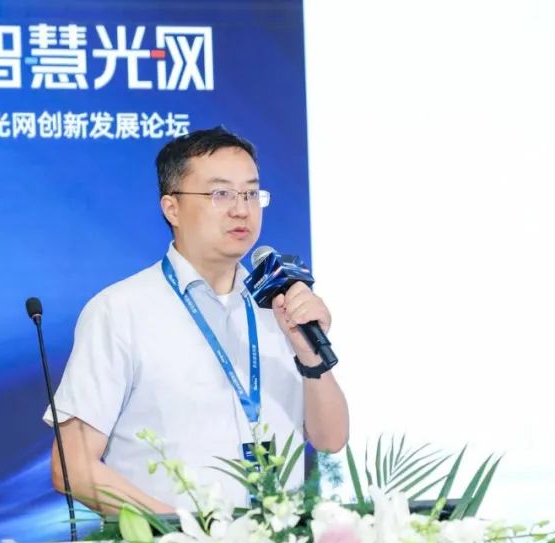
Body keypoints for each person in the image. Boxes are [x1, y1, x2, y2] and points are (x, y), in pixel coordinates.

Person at [44, 127, 349, 514]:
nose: (241, 210)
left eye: (251, 194)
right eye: (221, 194)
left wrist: (310, 356)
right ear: (172, 208)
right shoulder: (119, 311)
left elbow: (330, 439)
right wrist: (185, 533)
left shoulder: (281, 305)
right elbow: (72, 466)